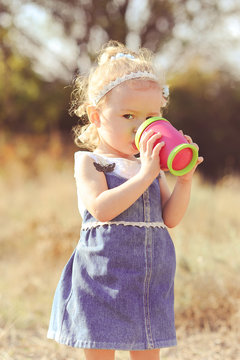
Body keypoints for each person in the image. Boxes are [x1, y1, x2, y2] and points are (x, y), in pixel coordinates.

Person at [47, 40, 203, 360]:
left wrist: (183, 180)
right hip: (102, 279)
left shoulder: (153, 168)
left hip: (148, 277)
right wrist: (145, 174)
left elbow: (169, 218)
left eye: (151, 116)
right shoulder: (91, 162)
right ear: (97, 117)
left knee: (146, 349)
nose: (141, 127)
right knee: (101, 347)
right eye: (129, 115)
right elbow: (102, 209)